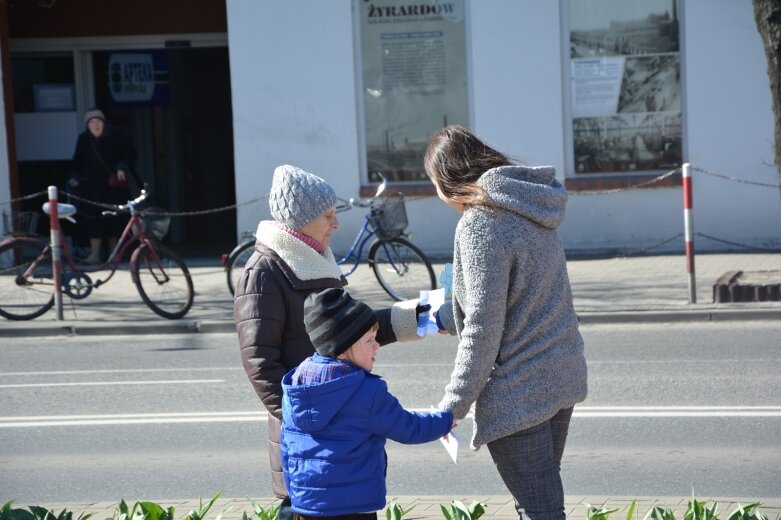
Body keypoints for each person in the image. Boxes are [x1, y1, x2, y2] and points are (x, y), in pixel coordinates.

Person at [234, 164, 428, 520]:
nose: (336, 224)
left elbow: (353, 333)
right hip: (309, 445)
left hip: (340, 440)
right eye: (328, 215)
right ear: (301, 218)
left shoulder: (315, 262)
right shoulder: (263, 272)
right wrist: (305, 421)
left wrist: (425, 316)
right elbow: (260, 363)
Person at [424, 125, 588, 520]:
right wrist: (431, 318)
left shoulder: (481, 223)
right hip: (561, 375)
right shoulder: (531, 205)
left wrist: (453, 406)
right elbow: (518, 299)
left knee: (540, 510)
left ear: (447, 179)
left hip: (521, 393)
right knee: (544, 502)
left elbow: (482, 327)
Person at [281, 288, 453, 519]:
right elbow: (409, 428)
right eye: (369, 340)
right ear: (342, 348)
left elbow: (287, 449)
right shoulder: (366, 392)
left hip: (306, 507)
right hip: (354, 507)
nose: (377, 346)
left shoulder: (295, 385)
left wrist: (295, 496)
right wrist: (447, 420)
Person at [70, 108, 137, 264]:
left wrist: (121, 167)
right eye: (92, 122)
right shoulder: (84, 139)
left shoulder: (115, 136)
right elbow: (76, 161)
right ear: (88, 125)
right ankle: (94, 255)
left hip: (111, 187)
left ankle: (113, 255)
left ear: (104, 123)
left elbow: (130, 153)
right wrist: (74, 176)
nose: (96, 125)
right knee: (93, 221)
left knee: (113, 221)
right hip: (91, 188)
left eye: (98, 121)